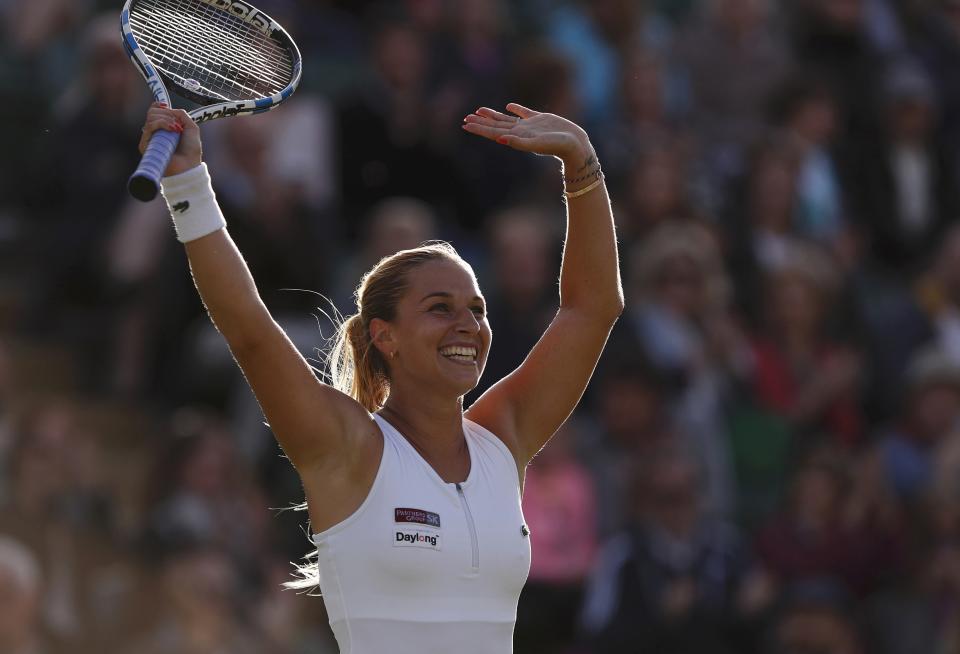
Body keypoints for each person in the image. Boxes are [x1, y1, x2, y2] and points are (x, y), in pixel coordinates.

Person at [137, 100, 623, 653]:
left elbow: (592, 308)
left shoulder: (502, 438)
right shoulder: (346, 444)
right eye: (440, 308)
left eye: (478, 309)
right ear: (384, 335)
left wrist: (582, 164)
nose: (468, 325)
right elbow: (249, 328)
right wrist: (189, 187)